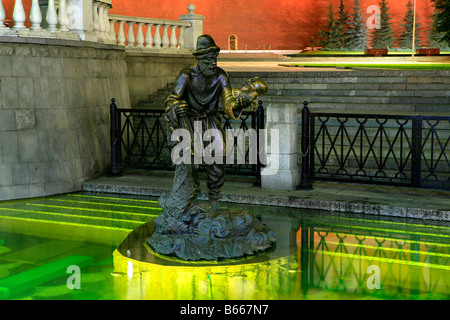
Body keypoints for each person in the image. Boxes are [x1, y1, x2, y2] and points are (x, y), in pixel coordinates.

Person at [164, 34, 247, 210]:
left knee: (218, 158)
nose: (213, 63)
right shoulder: (187, 75)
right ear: (200, 59)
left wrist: (238, 102)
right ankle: (191, 196)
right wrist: (176, 107)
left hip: (210, 121)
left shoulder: (220, 75)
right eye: (208, 59)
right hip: (190, 122)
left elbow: (228, 99)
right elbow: (172, 98)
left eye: (214, 58)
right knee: (191, 161)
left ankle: (214, 197)